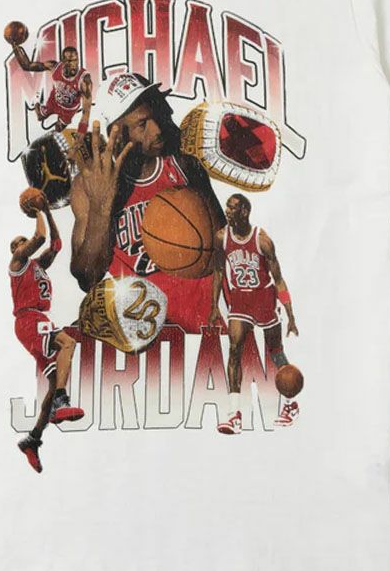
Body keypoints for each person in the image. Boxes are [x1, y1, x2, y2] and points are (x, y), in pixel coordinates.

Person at [69, 73, 224, 333]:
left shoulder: (184, 164)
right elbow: (87, 277)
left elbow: (224, 245)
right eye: (142, 124)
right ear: (117, 134)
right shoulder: (87, 185)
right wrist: (101, 206)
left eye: (156, 117)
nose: (157, 130)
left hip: (205, 321)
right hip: (145, 329)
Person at [209, 193, 300, 434]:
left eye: (232, 208)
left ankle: (290, 405)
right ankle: (234, 414)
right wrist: (213, 306)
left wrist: (290, 315)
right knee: (234, 350)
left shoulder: (262, 241)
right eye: (227, 207)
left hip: (264, 299)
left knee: (275, 352)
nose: (227, 211)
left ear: (245, 212)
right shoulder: (221, 238)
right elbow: (218, 272)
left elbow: (278, 280)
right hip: (240, 301)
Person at [10, 202, 83, 472]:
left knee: (51, 385)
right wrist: (37, 210)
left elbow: (56, 244)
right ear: (15, 250)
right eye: (17, 243)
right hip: (29, 319)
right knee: (68, 342)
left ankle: (33, 439)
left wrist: (49, 213)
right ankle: (63, 400)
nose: (21, 244)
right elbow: (39, 237)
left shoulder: (38, 265)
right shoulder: (18, 262)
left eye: (22, 240)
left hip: (38, 320)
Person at [9, 41, 92, 131]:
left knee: (58, 129)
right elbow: (27, 66)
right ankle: (36, 101)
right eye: (69, 61)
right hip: (54, 102)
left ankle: (59, 120)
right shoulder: (54, 67)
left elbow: (86, 111)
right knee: (40, 117)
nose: (73, 65)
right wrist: (15, 47)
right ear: (63, 62)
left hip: (69, 109)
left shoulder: (84, 79)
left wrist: (82, 131)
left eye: (75, 60)